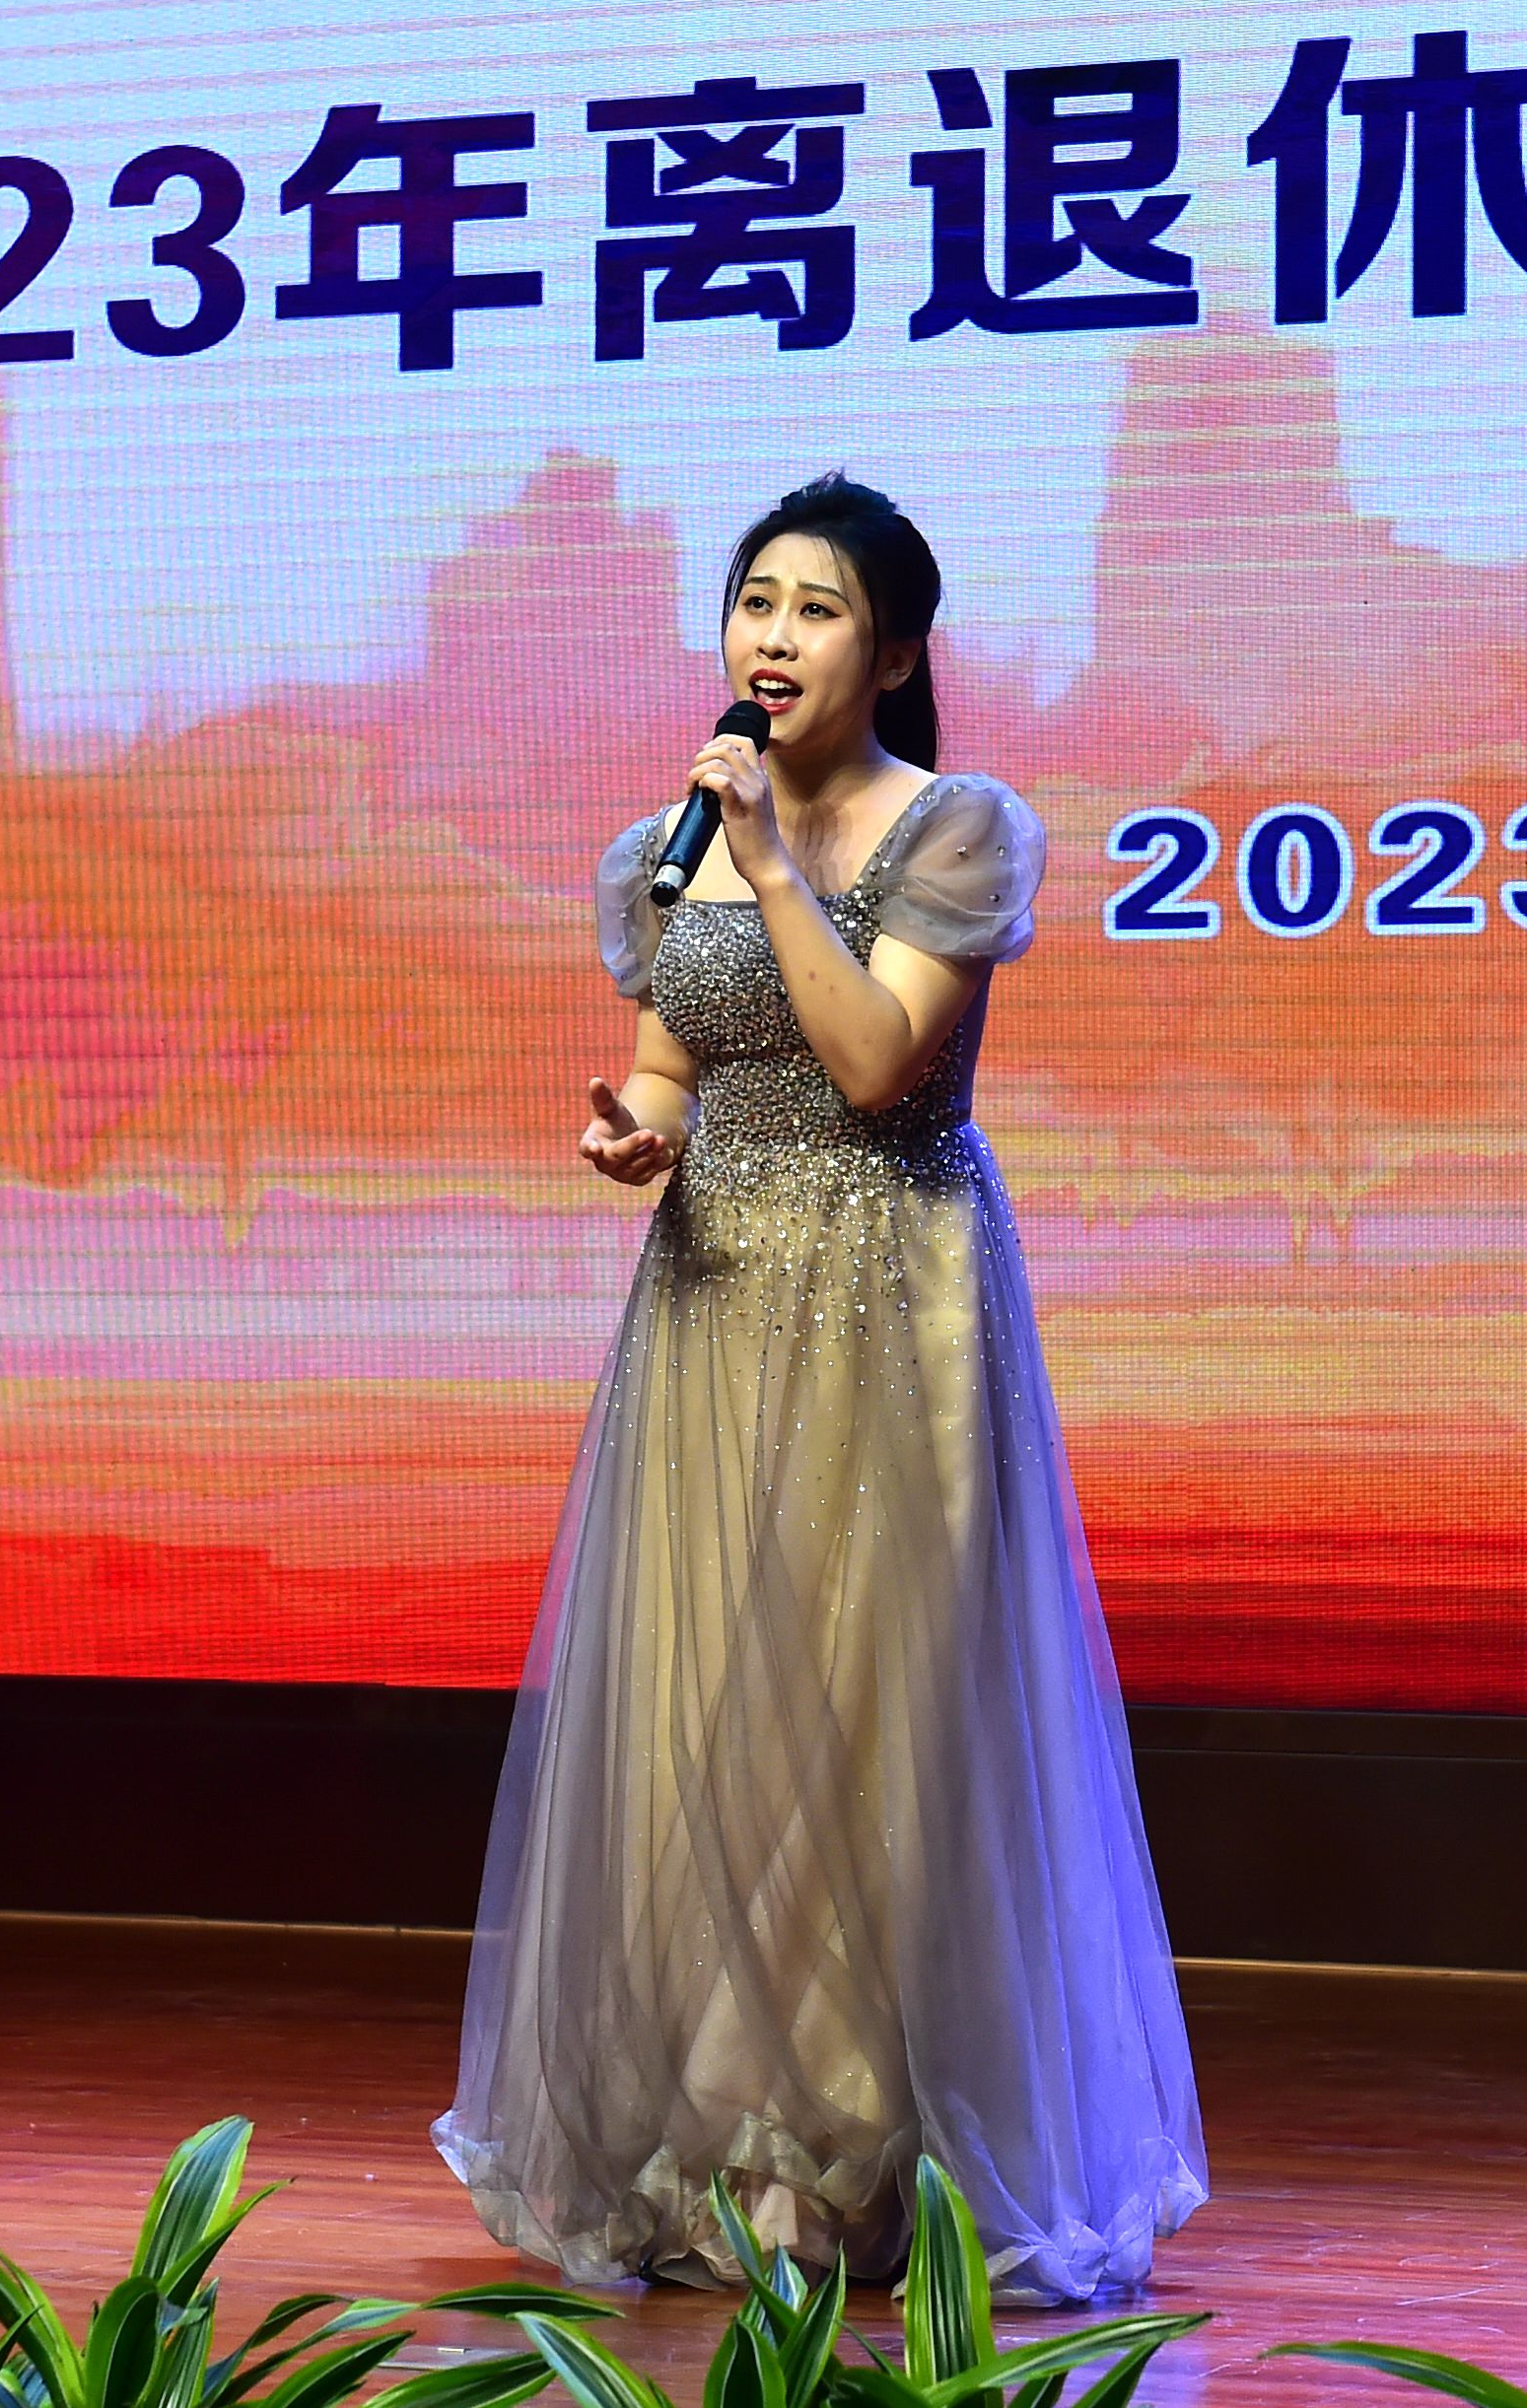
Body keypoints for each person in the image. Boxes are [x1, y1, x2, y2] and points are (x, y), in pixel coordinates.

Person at [433, 474, 1207, 2307]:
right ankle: (722, 2147)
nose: (771, 639)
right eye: (754, 603)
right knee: (704, 1714)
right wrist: (633, 1131)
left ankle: (873, 2161)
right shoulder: (661, 846)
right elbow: (669, 1063)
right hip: (711, 1302)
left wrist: (770, 858)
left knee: (870, 1724)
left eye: (817, 610)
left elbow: (870, 1063)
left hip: (890, 1303)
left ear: (899, 651)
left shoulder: (956, 828)